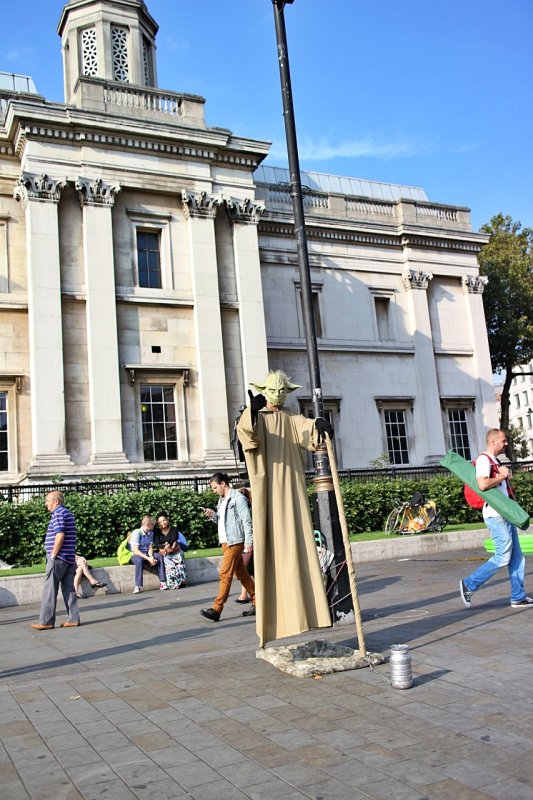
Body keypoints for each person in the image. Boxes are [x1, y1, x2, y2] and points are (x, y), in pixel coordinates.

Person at [237, 370, 333, 647]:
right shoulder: (256, 417)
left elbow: (307, 430)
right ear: (264, 390)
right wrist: (251, 414)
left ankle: (304, 615)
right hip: (268, 492)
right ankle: (270, 625)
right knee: (270, 553)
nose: (278, 395)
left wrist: (320, 425)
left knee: (299, 549)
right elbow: (247, 436)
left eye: (282, 390)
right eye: (273, 390)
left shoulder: (290, 419)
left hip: (292, 491)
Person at [460, 428, 533, 609]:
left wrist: (503, 476)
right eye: (503, 441)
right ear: (493, 442)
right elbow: (482, 483)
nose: (506, 443)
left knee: (517, 557)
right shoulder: (484, 460)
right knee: (502, 557)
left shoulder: (495, 460)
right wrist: (502, 476)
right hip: (495, 515)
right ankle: (469, 584)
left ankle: (518, 596)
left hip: (503, 514)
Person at [199, 472, 255, 622]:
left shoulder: (238, 499)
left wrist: (249, 542)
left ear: (223, 484)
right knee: (242, 574)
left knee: (225, 575)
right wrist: (212, 515)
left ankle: (217, 609)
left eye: (215, 487)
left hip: (235, 542)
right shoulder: (221, 500)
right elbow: (222, 521)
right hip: (226, 542)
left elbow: (247, 521)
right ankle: (258, 602)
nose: (214, 491)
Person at [31, 491, 80, 630]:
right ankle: (73, 619)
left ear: (56, 501)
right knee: (69, 589)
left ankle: (46, 621)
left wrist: (53, 555)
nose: (46, 505)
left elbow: (60, 535)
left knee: (50, 589)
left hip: (58, 558)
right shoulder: (68, 513)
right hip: (68, 557)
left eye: (47, 501)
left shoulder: (58, 513)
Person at [130, 515, 167, 594]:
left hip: (146, 554)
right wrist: (148, 558)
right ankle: (138, 585)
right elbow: (136, 551)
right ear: (147, 525)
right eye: (152, 524)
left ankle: (162, 582)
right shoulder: (136, 533)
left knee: (159, 556)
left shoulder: (150, 533)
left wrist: (151, 557)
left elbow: (150, 547)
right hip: (137, 555)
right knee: (139, 560)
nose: (154, 525)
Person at [153, 512, 188, 589]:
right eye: (160, 522)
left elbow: (173, 539)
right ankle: (173, 583)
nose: (163, 523)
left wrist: (168, 544)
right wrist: (164, 546)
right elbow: (156, 543)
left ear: (167, 520)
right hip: (165, 552)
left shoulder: (174, 529)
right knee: (169, 564)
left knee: (178, 558)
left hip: (174, 550)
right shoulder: (156, 532)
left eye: (164, 520)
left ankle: (181, 581)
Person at [235, 487, 253, 604]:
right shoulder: (248, 509)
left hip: (248, 543)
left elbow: (247, 524)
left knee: (246, 569)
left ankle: (247, 594)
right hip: (247, 543)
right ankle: (245, 594)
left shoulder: (246, 510)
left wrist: (248, 542)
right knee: (247, 570)